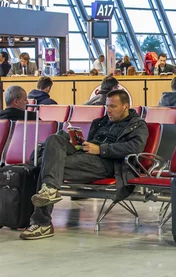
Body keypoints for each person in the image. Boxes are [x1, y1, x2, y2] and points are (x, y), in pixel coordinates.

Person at [20, 90, 148, 240]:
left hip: (107, 163)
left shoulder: (137, 125)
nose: (109, 110)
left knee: (49, 166)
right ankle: (49, 190)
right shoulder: (100, 122)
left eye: (113, 106)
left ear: (126, 107)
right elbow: (90, 143)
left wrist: (101, 149)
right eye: (107, 106)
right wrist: (80, 144)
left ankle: (42, 223)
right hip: (86, 156)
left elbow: (135, 148)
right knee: (55, 139)